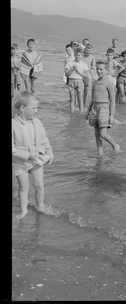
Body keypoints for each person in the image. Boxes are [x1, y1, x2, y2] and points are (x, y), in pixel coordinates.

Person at [12, 91, 54, 221]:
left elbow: (44, 138)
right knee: (23, 187)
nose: (37, 111)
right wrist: (27, 155)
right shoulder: (13, 124)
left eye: (37, 108)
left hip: (37, 159)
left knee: (39, 185)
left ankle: (40, 206)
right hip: (21, 161)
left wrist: (49, 151)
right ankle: (23, 211)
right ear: (23, 108)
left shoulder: (37, 122)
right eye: (34, 108)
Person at [85, 60, 120, 156]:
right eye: (97, 69)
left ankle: (115, 145)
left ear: (106, 70)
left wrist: (111, 115)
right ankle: (100, 153)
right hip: (94, 109)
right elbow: (92, 98)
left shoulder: (109, 82)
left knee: (102, 134)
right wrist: (88, 111)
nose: (99, 71)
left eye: (101, 69)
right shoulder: (95, 83)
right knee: (96, 134)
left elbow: (112, 100)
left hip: (104, 109)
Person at [64, 48, 89, 113]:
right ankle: (71, 112)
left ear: (81, 56)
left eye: (79, 55)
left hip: (80, 81)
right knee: (72, 99)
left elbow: (86, 75)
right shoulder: (69, 63)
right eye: (76, 55)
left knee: (80, 99)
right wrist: (72, 69)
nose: (78, 56)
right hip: (71, 81)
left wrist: (79, 72)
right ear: (74, 55)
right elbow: (66, 74)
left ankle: (81, 112)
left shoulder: (84, 64)